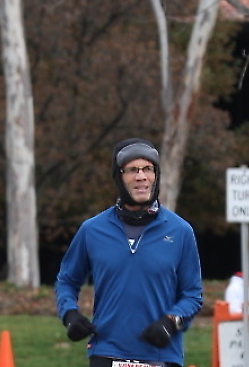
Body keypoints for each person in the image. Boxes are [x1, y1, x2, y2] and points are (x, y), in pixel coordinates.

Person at [55, 137, 203, 367]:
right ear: (119, 177)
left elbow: (192, 294)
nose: (141, 176)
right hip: (106, 352)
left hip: (161, 356)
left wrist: (170, 321)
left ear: (156, 176)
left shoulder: (180, 231)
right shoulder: (92, 230)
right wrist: (70, 314)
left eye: (148, 169)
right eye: (132, 170)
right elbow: (67, 280)